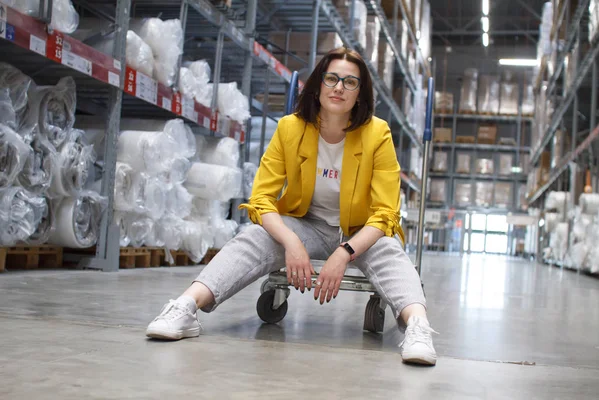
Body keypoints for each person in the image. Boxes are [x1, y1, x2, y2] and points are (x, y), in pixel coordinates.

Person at [146, 47, 438, 366]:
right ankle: (186, 308)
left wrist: (344, 252)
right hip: (306, 223)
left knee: (390, 251)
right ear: (317, 85)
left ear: (360, 95)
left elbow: (385, 213)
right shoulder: (290, 128)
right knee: (255, 237)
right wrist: (291, 242)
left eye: (351, 82)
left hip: (359, 229)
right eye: (332, 78)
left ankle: (418, 327)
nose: (339, 87)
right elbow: (261, 200)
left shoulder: (377, 133)